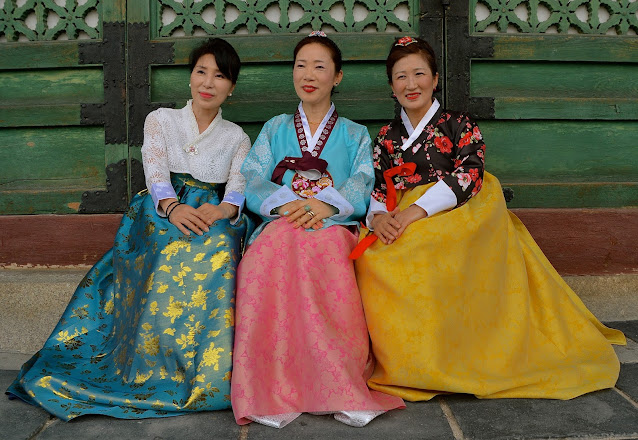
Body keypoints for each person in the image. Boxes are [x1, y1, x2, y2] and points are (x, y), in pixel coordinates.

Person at [352, 36, 626, 402]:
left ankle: (454, 355)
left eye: (419, 74)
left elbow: (471, 173)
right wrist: (380, 217)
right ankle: (409, 358)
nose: (411, 84)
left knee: (426, 244)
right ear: (391, 86)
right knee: (375, 258)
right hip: (399, 211)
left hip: (457, 211)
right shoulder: (386, 137)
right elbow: (376, 186)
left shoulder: (459, 124)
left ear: (435, 79)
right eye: (401, 77)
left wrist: (418, 210)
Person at [6, 38, 253, 420]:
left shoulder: (237, 136)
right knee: (172, 246)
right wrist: (172, 207)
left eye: (219, 76)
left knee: (219, 247)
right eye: (201, 71)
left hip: (211, 211)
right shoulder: (161, 120)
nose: (208, 82)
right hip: (161, 209)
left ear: (232, 87)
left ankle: (205, 370)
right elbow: (154, 171)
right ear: (190, 78)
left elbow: (237, 187)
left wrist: (221, 210)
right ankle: (152, 362)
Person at [230, 31, 405, 428]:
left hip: (332, 223)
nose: (308, 74)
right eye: (301, 65)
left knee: (325, 251)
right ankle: (270, 386)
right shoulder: (275, 128)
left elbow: (363, 180)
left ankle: (336, 383)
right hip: (282, 219)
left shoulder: (355, 133)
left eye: (320, 66)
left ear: (337, 76)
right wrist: (287, 203)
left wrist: (325, 205)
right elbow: (253, 177)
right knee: (265, 255)